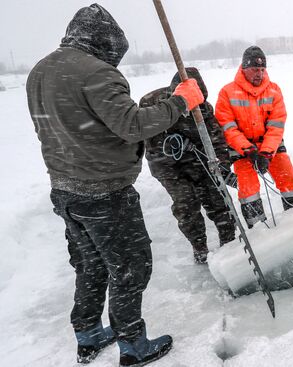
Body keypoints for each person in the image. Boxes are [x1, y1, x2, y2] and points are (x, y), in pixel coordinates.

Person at [26, 4, 204, 366]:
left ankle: (88, 333)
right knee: (131, 267)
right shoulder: (96, 73)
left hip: (64, 190)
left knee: (91, 264)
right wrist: (181, 101)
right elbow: (133, 125)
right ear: (105, 42)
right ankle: (133, 344)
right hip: (105, 192)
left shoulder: (39, 70)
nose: (115, 62)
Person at [139, 69, 236, 264]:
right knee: (187, 203)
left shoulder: (204, 109)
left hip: (198, 159)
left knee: (218, 198)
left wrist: (223, 168)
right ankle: (199, 247)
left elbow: (216, 141)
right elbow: (146, 140)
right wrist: (171, 145)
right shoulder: (152, 104)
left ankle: (230, 244)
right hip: (168, 166)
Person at [215, 46, 293, 228]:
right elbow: (228, 127)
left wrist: (266, 153)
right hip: (242, 150)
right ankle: (258, 231)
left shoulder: (274, 90)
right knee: (248, 189)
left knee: (289, 180)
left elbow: (276, 125)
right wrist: (248, 150)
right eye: (255, 69)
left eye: (262, 69)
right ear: (244, 68)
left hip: (271, 147)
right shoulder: (227, 92)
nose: (259, 74)